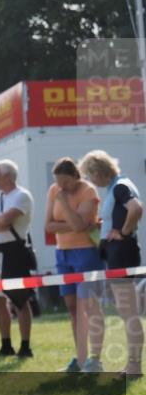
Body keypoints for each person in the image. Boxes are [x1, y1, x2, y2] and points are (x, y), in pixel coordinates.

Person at [80, 150, 143, 377]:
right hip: (117, 252)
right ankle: (133, 365)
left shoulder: (120, 186)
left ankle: (135, 367)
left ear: (98, 172)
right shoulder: (117, 186)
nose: (90, 180)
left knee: (129, 311)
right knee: (127, 310)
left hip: (121, 252)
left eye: (89, 175)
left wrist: (124, 232)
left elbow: (136, 209)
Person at [45, 157, 105, 372]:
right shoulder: (54, 190)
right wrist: (72, 222)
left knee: (90, 306)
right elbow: (48, 226)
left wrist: (63, 205)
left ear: (76, 177)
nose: (61, 187)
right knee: (72, 307)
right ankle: (80, 358)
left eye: (66, 183)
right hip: (63, 254)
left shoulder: (88, 192)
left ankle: (95, 359)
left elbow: (80, 227)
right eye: (58, 183)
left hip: (86, 253)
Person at [0, 161, 36, 360]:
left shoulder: (21, 196)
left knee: (19, 299)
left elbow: (5, 221)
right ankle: (6, 344)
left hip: (14, 252)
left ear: (8, 176)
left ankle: (25, 345)